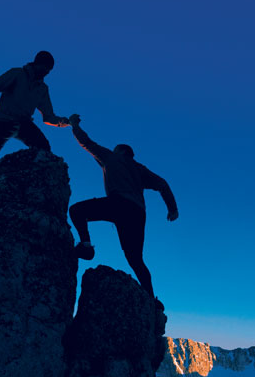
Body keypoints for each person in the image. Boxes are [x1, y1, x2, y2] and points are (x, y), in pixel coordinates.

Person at [68, 114, 178, 298]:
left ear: (119, 151)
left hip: (119, 204)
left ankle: (86, 245)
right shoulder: (140, 169)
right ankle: (151, 298)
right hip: (138, 214)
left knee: (77, 210)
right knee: (136, 259)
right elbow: (163, 184)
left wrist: (74, 124)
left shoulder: (112, 158)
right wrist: (172, 208)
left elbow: (86, 142)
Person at [0, 51, 70, 186]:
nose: (47, 72)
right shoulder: (17, 74)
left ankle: (31, 184)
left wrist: (66, 122)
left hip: (25, 125)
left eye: (49, 70)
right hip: (4, 122)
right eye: (45, 68)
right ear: (37, 63)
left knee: (43, 147)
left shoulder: (42, 88)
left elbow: (48, 117)